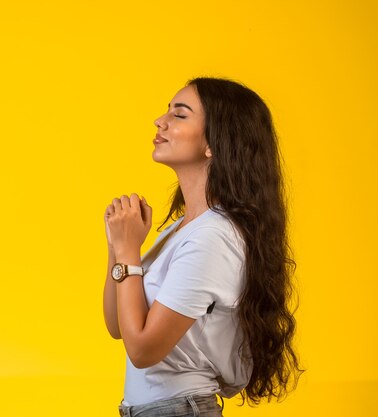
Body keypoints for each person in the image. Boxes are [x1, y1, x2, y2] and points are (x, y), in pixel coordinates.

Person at [102, 77, 303, 417]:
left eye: (179, 115)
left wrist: (128, 252)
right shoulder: (180, 229)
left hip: (179, 410)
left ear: (214, 143)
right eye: (167, 111)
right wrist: (118, 246)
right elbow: (117, 326)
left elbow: (143, 350)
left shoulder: (213, 237)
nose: (160, 121)